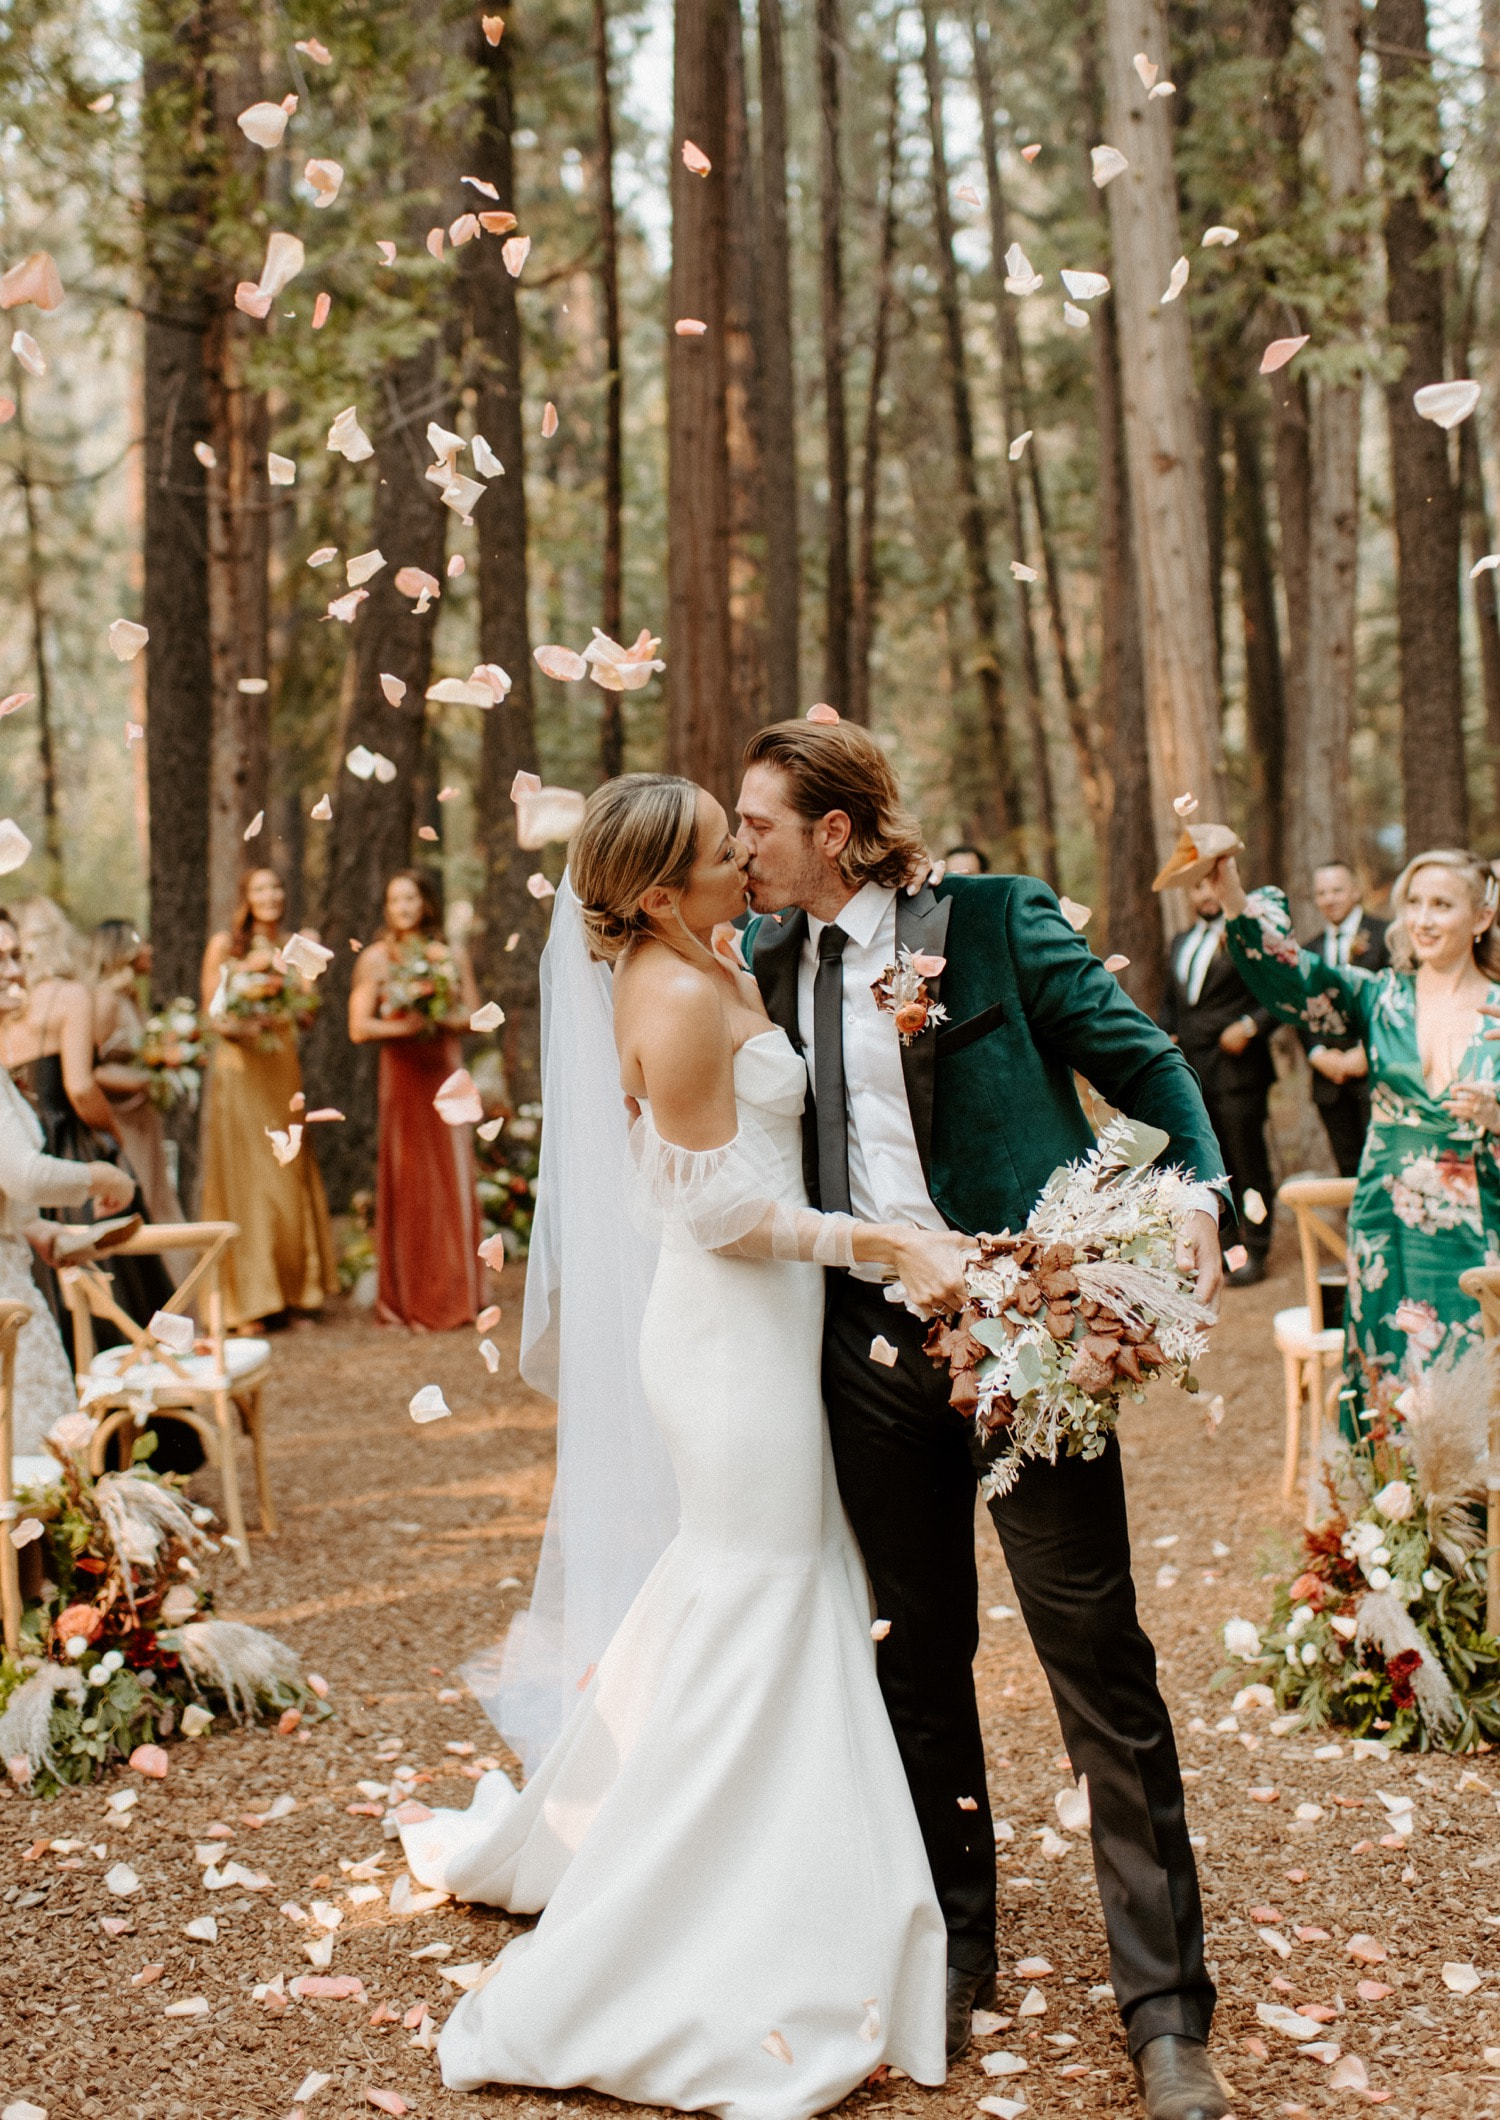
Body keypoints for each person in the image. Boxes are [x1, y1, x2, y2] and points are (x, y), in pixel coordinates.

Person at [400, 774, 973, 2117]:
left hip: (766, 1332)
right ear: (659, 893)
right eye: (726, 852)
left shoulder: (703, 956)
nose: (745, 859)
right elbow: (718, 1215)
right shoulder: (667, 994)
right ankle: (682, 1907)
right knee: (759, 1591)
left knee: (754, 1586)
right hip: (727, 1339)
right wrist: (877, 1241)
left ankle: (777, 1863)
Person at [735, 720, 1229, 2120]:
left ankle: (1168, 2015)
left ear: (834, 831)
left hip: (1029, 1335)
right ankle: (954, 1948)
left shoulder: (1000, 924)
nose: (741, 845)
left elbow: (1150, 1070)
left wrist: (1192, 1196)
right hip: (866, 1354)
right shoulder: (763, 964)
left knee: (1096, 1658)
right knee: (916, 1652)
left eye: (760, 821)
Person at [1216, 848, 1500, 1403]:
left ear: (1482, 918)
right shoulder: (1378, 997)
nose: (1421, 919)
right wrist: (1228, 885)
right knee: (1386, 1387)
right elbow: (1291, 974)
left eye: (1441, 904)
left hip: (1478, 1233)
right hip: (1385, 1227)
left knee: (1473, 1390)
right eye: (1412, 903)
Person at [2, 897, 173, 1340]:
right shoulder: (69, 996)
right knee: (120, 1281)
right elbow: (79, 1087)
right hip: (70, 1150)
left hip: (24, 1158)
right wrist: (111, 1144)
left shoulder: (7, 1014)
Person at [0, 910, 136, 1454]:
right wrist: (98, 1175)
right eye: (2, 960)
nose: (16, 971)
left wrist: (41, 1233)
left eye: (17, 956)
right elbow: (22, 1174)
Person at [199, 868, 336, 1328]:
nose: (270, 895)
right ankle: (248, 1303)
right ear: (245, 896)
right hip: (240, 1069)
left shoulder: (298, 943)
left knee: (285, 1172)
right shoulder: (225, 946)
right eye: (259, 887)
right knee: (245, 1177)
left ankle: (296, 1291)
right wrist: (245, 1015)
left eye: (277, 886)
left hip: (281, 1067)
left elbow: (310, 1015)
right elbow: (212, 1016)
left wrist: (292, 982)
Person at [349, 870, 482, 1331]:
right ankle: (408, 1297)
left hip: (443, 1069)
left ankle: (456, 1290)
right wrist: (405, 1026)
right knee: (408, 1179)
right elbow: (359, 1026)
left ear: (425, 903)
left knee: (449, 1174)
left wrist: (441, 1015)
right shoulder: (375, 959)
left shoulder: (448, 954)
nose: (402, 907)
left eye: (410, 898)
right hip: (403, 1074)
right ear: (387, 908)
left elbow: (474, 1015)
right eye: (394, 899)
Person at [1159, 871, 1277, 1285]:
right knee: (1212, 1166)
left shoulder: (1246, 937)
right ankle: (1228, 1250)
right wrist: (1165, 1035)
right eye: (1197, 887)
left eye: (1211, 884)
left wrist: (1249, 1026)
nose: (1204, 894)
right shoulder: (1180, 941)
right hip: (1193, 1071)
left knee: (1248, 1164)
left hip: (1238, 1070)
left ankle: (1256, 1247)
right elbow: (1172, 1003)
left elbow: (1276, 993)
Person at [90, 920, 188, 1237]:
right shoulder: (105, 1000)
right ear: (124, 951)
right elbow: (91, 1068)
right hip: (122, 1121)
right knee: (140, 1197)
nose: (150, 950)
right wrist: (144, 1080)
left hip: (143, 1118)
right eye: (143, 943)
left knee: (158, 1196)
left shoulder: (128, 997)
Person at [1299, 862, 1388, 1177]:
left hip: (1376, 1074)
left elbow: (1396, 1000)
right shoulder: (1308, 951)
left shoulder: (1384, 937)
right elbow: (1302, 1010)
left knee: (1382, 1165)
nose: (1329, 899)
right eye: (1321, 892)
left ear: (1355, 891)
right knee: (1348, 1169)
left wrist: (1367, 1052)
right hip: (1329, 1081)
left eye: (1337, 890)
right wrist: (1318, 1054)